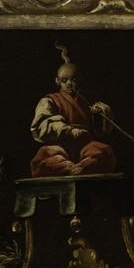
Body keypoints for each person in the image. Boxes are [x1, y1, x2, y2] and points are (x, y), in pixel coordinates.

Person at [29, 43, 117, 177]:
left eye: (73, 80)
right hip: (61, 145)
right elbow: (43, 123)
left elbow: (100, 130)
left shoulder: (87, 100)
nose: (69, 83)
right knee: (44, 157)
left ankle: (81, 168)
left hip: (85, 145)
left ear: (79, 80)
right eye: (65, 80)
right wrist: (69, 130)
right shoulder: (49, 100)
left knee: (104, 152)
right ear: (57, 81)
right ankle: (69, 168)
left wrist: (99, 114)